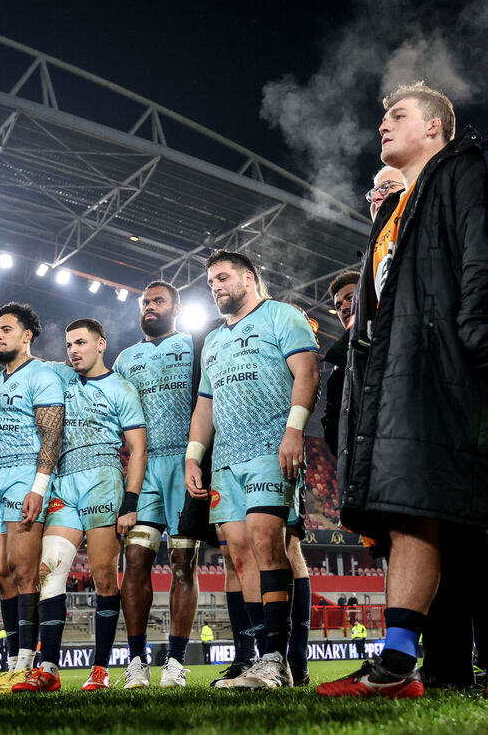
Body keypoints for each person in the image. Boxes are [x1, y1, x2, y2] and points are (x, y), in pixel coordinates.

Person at [318, 82, 488, 700]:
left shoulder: (462, 170)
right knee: (410, 512)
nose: (382, 125)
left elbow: (487, 259)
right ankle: (397, 663)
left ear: (435, 128)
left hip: (467, 367)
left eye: (397, 115)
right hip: (409, 380)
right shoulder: (395, 212)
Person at [185, 249, 320, 689]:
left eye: (223, 278)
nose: (216, 287)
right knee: (239, 556)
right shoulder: (214, 341)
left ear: (249, 277)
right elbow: (205, 404)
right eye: (210, 283)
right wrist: (193, 454)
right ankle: (264, 660)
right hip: (225, 460)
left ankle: (279, 660)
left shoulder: (282, 316)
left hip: (271, 449)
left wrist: (294, 432)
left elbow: (307, 373)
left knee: (267, 544)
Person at [12, 319, 147, 693]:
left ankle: (100, 669)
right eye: (69, 344)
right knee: (48, 572)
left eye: (81, 343)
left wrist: (130, 503)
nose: (73, 350)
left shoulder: (121, 387)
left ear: (101, 344)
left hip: (103, 480)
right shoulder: (58, 375)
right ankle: (49, 669)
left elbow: (137, 449)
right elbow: (23, 358)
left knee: (105, 576)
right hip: (63, 480)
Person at [0, 306, 64, 694]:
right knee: (1, 570)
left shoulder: (44, 374)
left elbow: (52, 436)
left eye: (6, 329)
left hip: (26, 475)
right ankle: (12, 663)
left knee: (25, 571)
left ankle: (29, 662)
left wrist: (38, 487)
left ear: (27, 335)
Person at [114, 282, 198, 689]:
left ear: (176, 307)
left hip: (185, 465)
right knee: (135, 559)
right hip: (143, 468)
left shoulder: (193, 346)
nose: (148, 307)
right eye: (144, 302)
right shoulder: (125, 359)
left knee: (183, 564)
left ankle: (176, 662)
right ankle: (136, 661)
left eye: (157, 301)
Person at [322, 270, 361, 460]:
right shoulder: (339, 360)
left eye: (350, 298)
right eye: (338, 305)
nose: (344, 307)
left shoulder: (392, 338)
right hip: (354, 463)